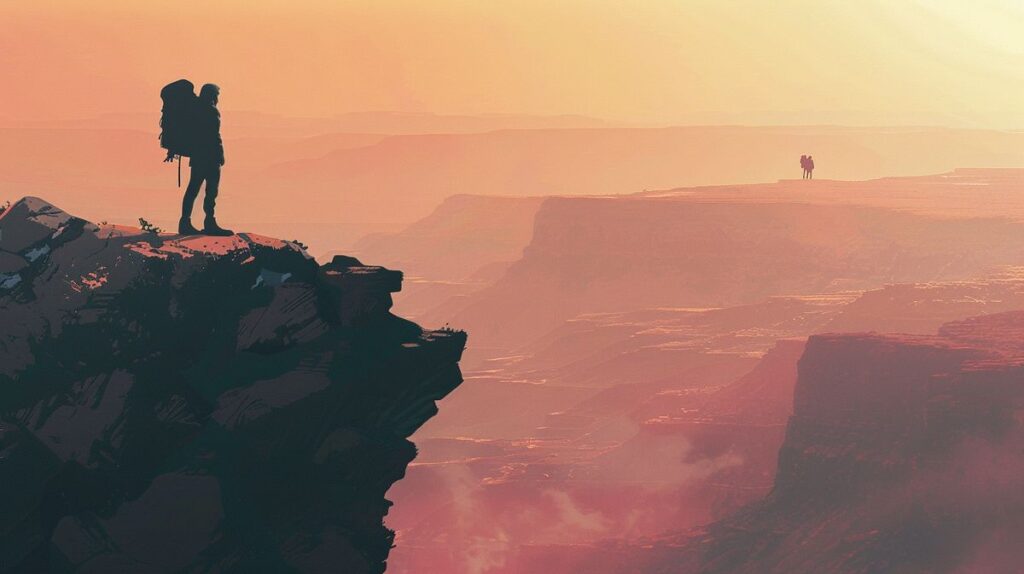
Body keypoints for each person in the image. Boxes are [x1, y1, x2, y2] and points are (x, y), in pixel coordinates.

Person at [178, 83, 232, 236]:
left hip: (198, 156)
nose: (217, 98)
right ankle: (210, 223)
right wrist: (220, 155)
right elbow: (214, 136)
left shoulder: (195, 109)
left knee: (193, 189)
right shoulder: (211, 111)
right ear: (212, 95)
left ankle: (185, 222)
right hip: (210, 157)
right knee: (211, 191)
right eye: (216, 95)